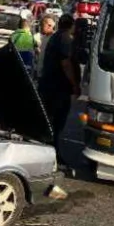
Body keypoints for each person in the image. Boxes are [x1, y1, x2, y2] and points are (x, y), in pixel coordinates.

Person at [39, 14, 81, 160]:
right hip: (57, 88)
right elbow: (66, 64)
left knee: (52, 120)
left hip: (50, 86)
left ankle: (49, 150)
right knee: (57, 122)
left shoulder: (56, 37)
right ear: (71, 26)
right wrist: (74, 84)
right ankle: (51, 153)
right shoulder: (64, 39)